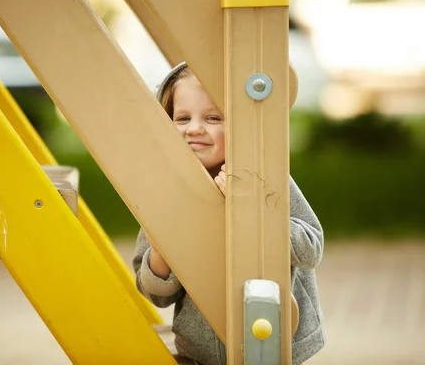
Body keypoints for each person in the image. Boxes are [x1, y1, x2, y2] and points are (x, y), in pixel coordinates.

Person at [133, 62, 325, 365]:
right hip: (199, 352)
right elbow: (158, 295)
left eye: (213, 117)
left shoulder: (267, 177)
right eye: (182, 118)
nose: (195, 128)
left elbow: (310, 249)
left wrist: (249, 209)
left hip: (276, 336)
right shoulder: (168, 193)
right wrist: (160, 257)